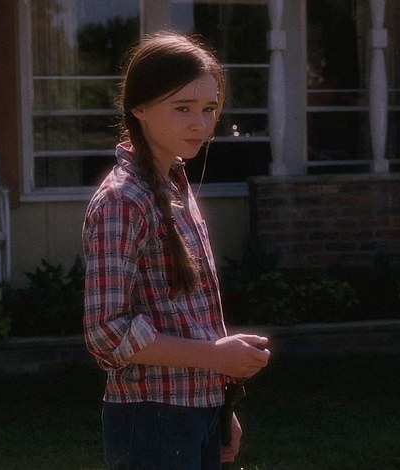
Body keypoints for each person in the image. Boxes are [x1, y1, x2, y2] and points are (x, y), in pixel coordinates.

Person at [82, 31, 271, 469]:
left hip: (195, 411)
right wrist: (217, 356)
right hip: (152, 418)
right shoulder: (123, 200)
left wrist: (219, 402)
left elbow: (188, 316)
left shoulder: (173, 186)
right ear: (139, 107)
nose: (201, 124)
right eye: (183, 108)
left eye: (209, 108)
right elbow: (107, 332)